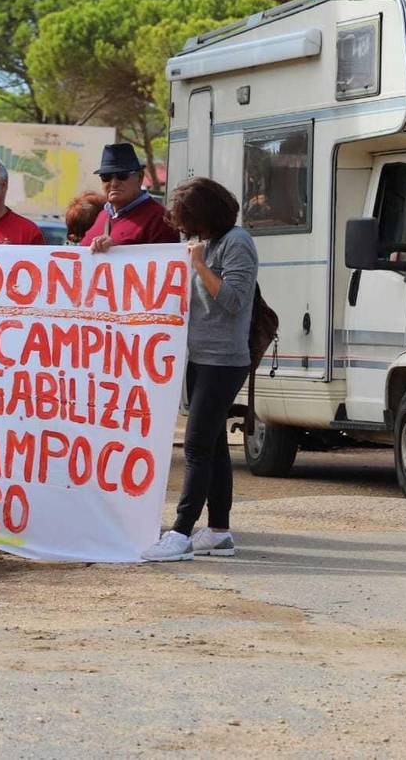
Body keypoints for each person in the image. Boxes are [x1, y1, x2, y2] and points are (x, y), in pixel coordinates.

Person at [141, 177, 256, 563]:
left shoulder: (237, 242)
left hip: (224, 360)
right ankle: (219, 532)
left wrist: (200, 265)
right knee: (215, 446)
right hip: (198, 356)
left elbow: (236, 301)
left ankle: (181, 532)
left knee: (195, 446)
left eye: (189, 221)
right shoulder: (205, 243)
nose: (185, 229)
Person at [82, 143, 179, 250]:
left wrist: (116, 252)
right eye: (106, 177)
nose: (114, 183)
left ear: (140, 177)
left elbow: (164, 264)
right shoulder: (102, 215)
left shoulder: (160, 219)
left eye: (122, 176)